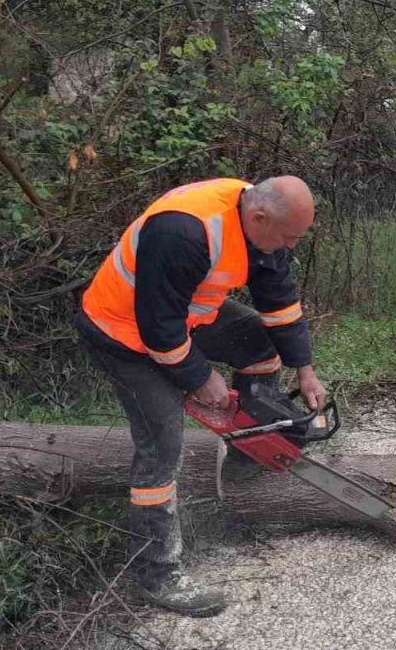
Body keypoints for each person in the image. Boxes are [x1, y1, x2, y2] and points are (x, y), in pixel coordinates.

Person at [76, 176, 327, 615]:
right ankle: (158, 575)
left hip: (184, 316)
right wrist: (199, 378)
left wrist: (305, 370)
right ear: (259, 218)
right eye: (287, 237)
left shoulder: (259, 225)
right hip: (124, 332)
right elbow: (158, 329)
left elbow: (279, 302)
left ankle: (251, 448)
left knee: (258, 344)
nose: (289, 245)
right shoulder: (183, 230)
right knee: (162, 445)